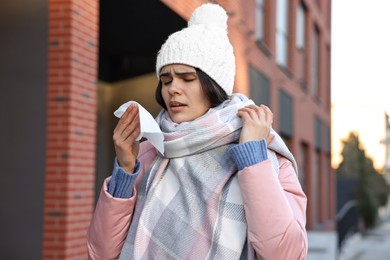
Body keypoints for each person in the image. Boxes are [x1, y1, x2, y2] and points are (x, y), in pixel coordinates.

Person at [87, 3, 307, 260]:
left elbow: (285, 255)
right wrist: (124, 170)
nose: (173, 89)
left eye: (187, 78)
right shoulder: (149, 152)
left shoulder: (267, 157)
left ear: (214, 85)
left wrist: (252, 157)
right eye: (166, 80)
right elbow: (100, 253)